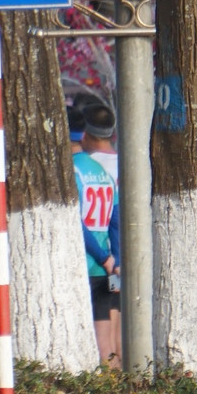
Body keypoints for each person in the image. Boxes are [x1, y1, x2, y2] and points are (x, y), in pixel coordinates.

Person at [71, 106, 121, 369]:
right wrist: (116, 258)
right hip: (109, 265)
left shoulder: (73, 170)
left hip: (87, 264)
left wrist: (103, 258)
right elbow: (116, 220)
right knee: (111, 340)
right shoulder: (104, 172)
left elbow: (75, 223)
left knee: (95, 343)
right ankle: (120, 390)